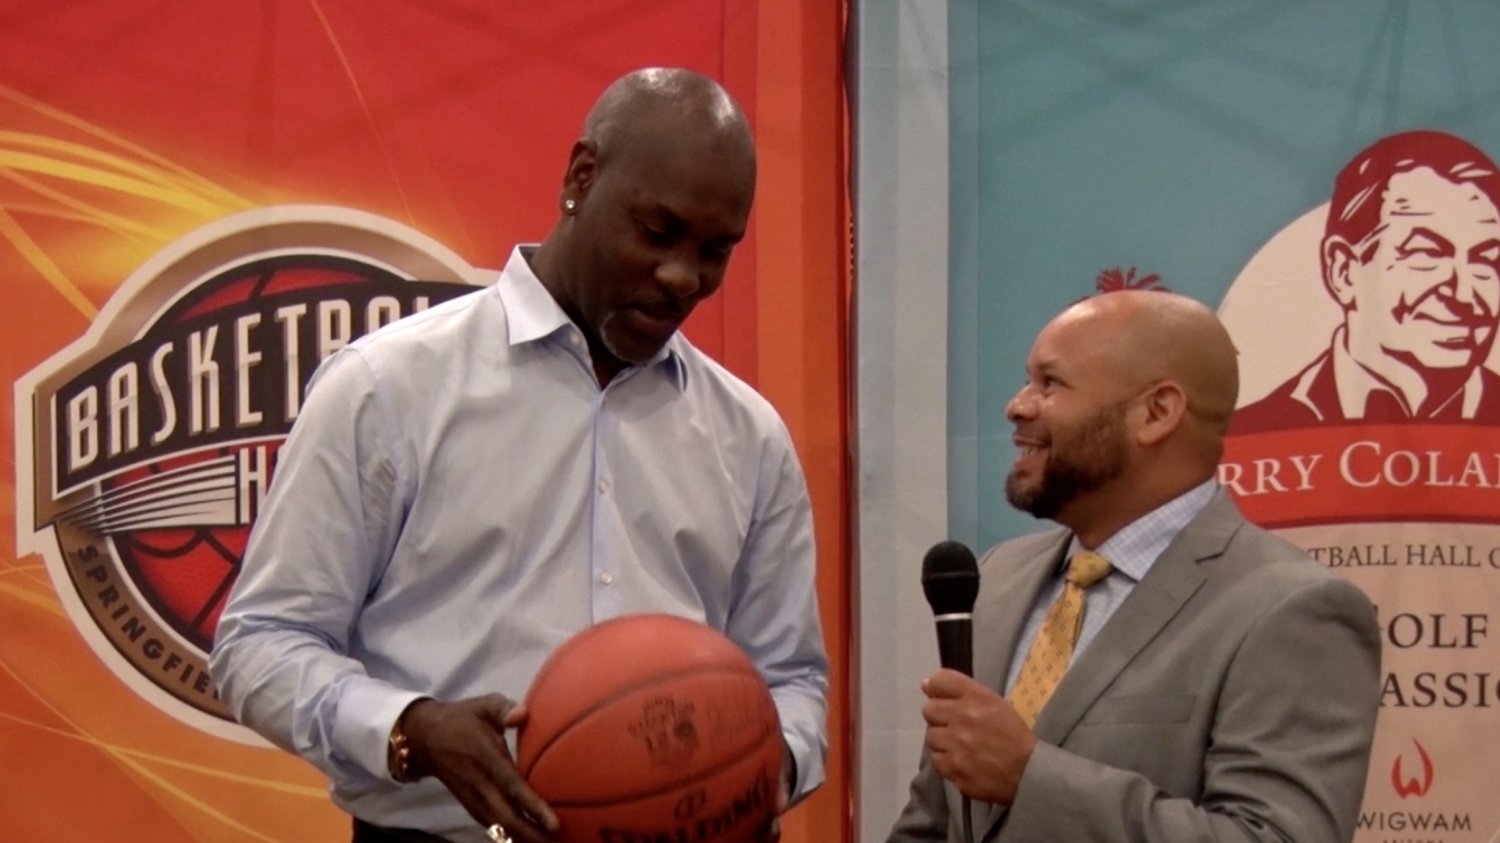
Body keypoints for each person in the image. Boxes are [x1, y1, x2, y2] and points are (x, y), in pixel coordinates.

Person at [209, 68, 829, 843]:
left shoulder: (751, 437)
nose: (682, 276)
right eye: (657, 232)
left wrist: (759, 773)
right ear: (581, 178)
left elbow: (792, 679)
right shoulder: (387, 388)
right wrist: (409, 727)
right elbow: (260, 644)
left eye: (716, 251)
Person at [886, 290, 1381, 843]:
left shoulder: (1291, 609)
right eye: (1028, 381)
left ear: (1156, 413)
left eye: (1051, 383)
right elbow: (932, 826)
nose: (1018, 406)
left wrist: (1031, 779)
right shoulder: (999, 577)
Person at [1233, 130, 1500, 433]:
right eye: (1427, 254)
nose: (1463, 294)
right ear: (1344, 270)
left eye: (1487, 260)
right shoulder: (1249, 437)